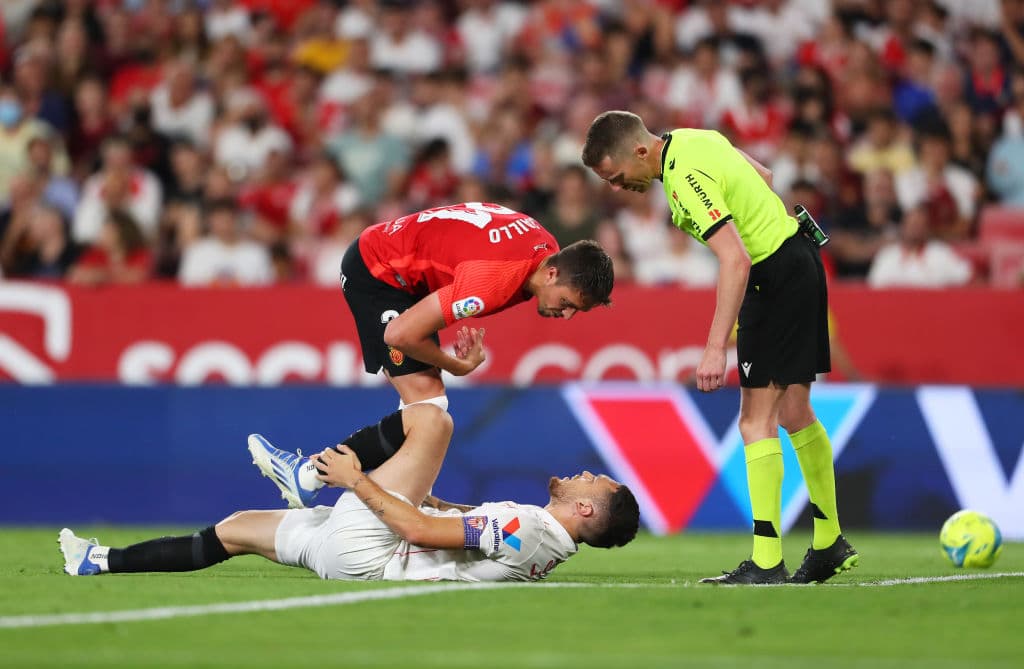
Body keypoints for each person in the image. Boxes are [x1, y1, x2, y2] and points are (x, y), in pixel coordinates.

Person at [581, 110, 858, 585]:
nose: (617, 185)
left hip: (771, 277)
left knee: (755, 421)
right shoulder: (694, 139)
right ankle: (829, 540)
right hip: (798, 260)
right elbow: (764, 176)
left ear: (640, 151)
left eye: (615, 174)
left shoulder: (682, 178)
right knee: (794, 412)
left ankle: (768, 561)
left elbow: (735, 258)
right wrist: (765, 224)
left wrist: (714, 349)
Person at [251, 201, 614, 510]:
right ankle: (309, 475)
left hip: (398, 263)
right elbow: (400, 334)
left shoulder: (544, 246)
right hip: (378, 273)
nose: (565, 315)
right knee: (428, 408)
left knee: (425, 408)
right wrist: (458, 365)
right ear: (552, 273)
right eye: (567, 303)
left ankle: (404, 492)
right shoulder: (493, 282)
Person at [59, 404, 640, 582]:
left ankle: (308, 475)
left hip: (376, 552)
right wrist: (444, 504)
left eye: (596, 480)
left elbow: (415, 531)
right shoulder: (539, 535)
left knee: (433, 421)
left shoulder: (524, 529)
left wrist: (355, 480)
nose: (586, 472)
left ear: (585, 508)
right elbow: (460, 529)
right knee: (235, 529)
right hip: (361, 556)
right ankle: (98, 560)